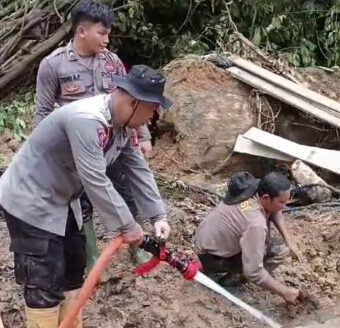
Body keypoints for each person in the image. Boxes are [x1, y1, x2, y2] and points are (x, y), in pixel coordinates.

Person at [0, 65, 174, 328]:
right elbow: (95, 179)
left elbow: (137, 169)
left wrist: (158, 215)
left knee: (72, 271)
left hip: (63, 201)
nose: (153, 118)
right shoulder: (87, 120)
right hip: (30, 200)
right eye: (153, 109)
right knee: (44, 280)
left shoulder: (122, 125)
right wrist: (128, 227)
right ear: (134, 102)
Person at [33, 0, 153, 269]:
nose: (107, 39)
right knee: (81, 200)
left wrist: (142, 135)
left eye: (109, 33)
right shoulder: (53, 65)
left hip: (116, 141)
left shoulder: (112, 62)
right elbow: (42, 112)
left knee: (126, 191)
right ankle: (91, 256)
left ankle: (137, 247)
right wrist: (43, 153)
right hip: (78, 148)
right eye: (102, 33)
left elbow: (135, 98)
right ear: (81, 31)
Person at [194, 171, 302, 303]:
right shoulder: (256, 224)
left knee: (274, 243)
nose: (284, 207)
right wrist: (284, 291)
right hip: (212, 258)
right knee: (280, 251)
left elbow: (276, 210)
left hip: (203, 240)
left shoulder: (253, 187)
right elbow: (253, 272)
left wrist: (288, 239)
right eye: (281, 202)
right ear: (266, 198)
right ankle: (231, 281)